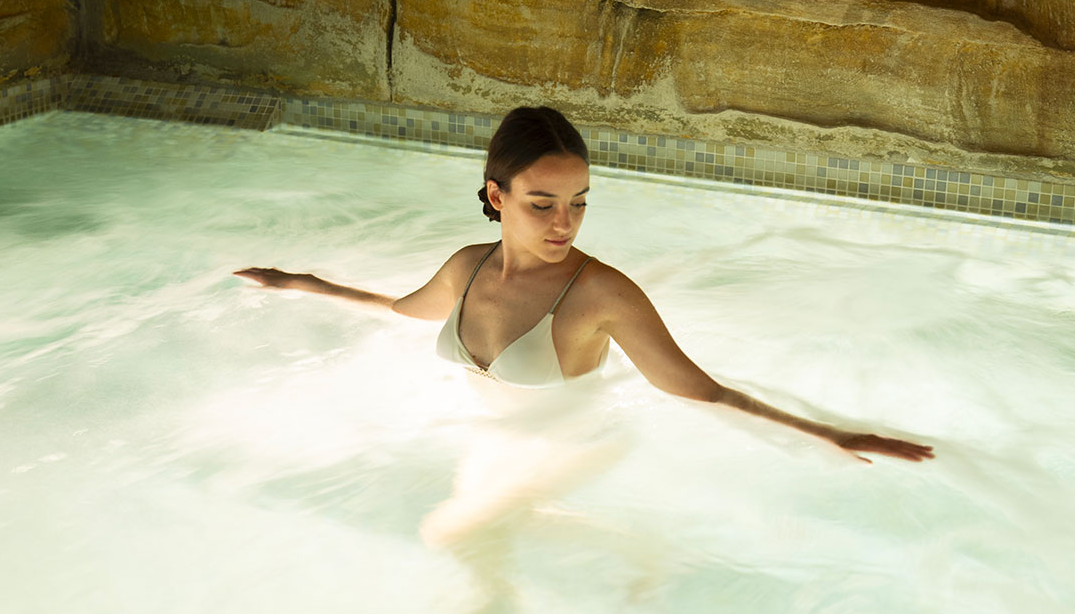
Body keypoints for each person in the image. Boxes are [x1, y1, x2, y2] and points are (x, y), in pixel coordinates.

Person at [235, 106, 934, 550]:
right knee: (487, 539)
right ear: (495, 195)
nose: (564, 223)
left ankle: (637, 552)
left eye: (578, 203)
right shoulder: (466, 268)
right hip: (497, 438)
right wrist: (300, 284)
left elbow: (704, 391)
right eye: (542, 203)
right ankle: (553, 582)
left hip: (579, 442)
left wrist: (829, 433)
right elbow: (397, 310)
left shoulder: (600, 293)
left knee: (446, 532)